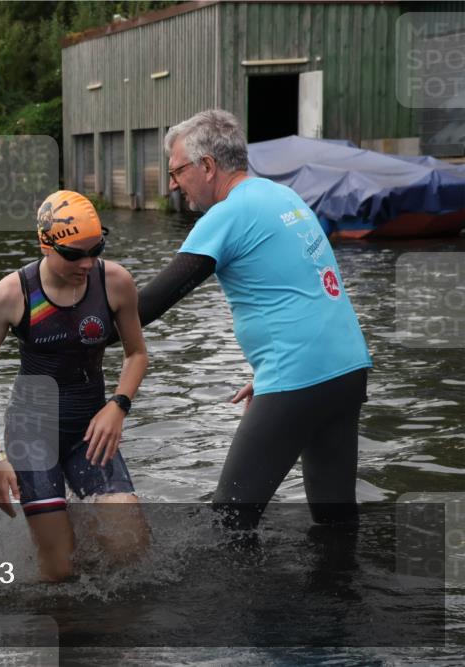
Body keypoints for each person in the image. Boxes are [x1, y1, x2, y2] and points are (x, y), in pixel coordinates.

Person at [137, 109, 372, 530]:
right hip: (345, 369)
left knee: (230, 522)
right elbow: (305, 287)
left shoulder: (227, 215)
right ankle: (341, 593)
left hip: (298, 377)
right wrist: (269, 369)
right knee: (334, 517)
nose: (172, 184)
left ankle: (245, 600)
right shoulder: (282, 196)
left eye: (177, 171)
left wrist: (75, 326)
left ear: (207, 166)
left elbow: (148, 307)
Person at [0, 190, 150, 581]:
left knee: (130, 545)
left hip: (90, 430)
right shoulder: (11, 295)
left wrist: (118, 404)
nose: (86, 263)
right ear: (45, 245)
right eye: (74, 255)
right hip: (32, 434)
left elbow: (137, 354)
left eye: (95, 249)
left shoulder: (115, 282)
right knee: (61, 569)